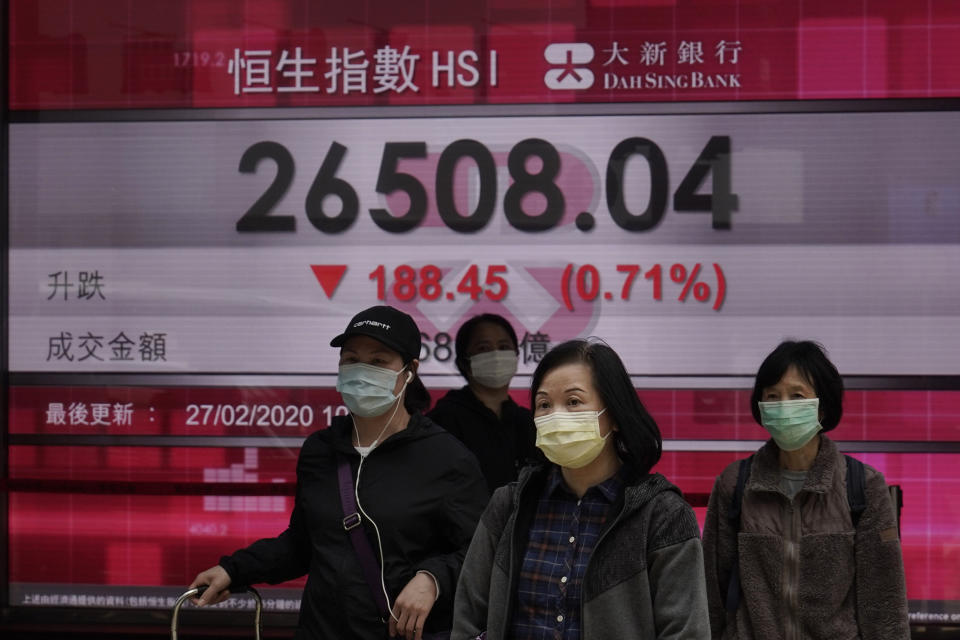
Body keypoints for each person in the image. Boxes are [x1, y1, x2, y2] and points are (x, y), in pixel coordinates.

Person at [189, 305, 489, 640]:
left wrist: (432, 578)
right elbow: (303, 545)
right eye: (351, 359)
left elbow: (482, 553)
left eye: (378, 362)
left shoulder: (445, 457)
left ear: (409, 370)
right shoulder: (320, 450)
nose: (361, 371)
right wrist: (233, 569)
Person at [452, 339, 710, 639]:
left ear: (613, 414)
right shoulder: (510, 504)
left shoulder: (662, 515)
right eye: (544, 404)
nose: (555, 416)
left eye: (573, 402)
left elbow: (686, 631)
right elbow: (469, 617)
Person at [701, 340, 909, 640]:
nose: (783, 406)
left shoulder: (862, 486)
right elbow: (710, 595)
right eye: (773, 396)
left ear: (822, 406)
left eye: (796, 395)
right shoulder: (735, 484)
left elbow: (884, 603)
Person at [428, 313, 540, 493]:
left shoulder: (529, 422)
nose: (496, 355)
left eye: (504, 347)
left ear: (516, 357)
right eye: (483, 348)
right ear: (464, 362)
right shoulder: (443, 421)